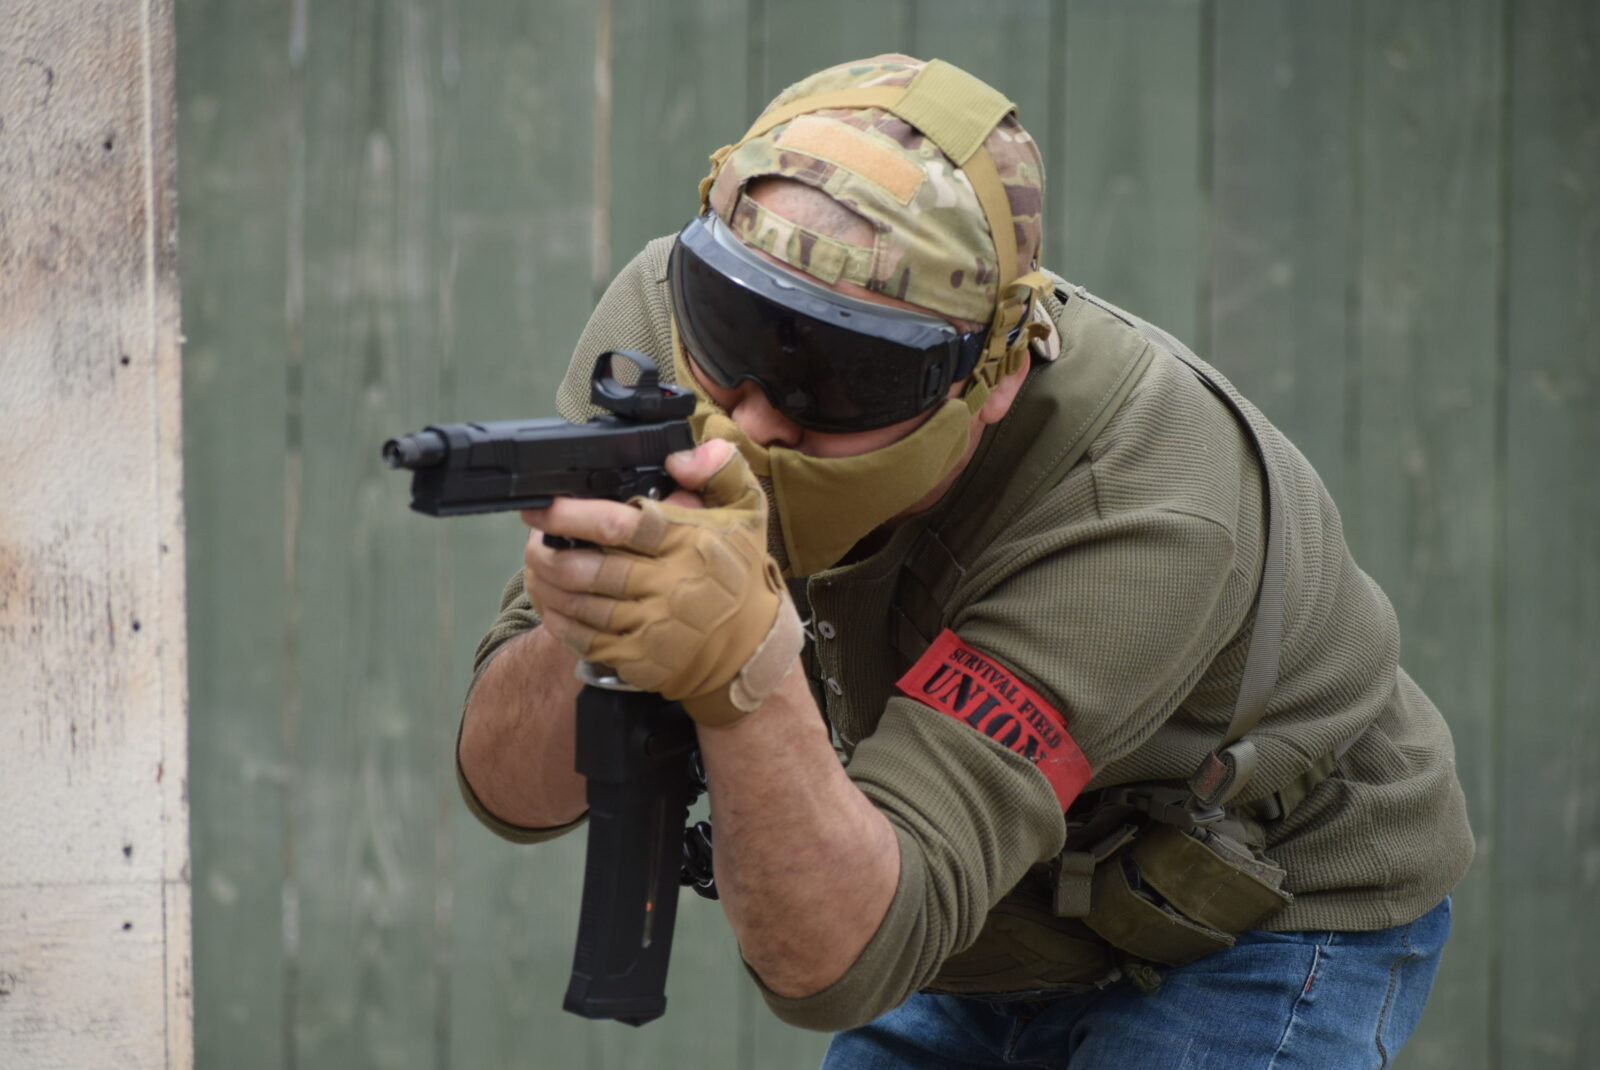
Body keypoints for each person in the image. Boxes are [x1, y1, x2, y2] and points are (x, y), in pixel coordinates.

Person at [455, 55, 1473, 1069]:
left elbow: (834, 964)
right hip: (958, 899)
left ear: (993, 376)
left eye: (844, 374)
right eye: (731, 320)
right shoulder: (663, 339)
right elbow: (513, 791)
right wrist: (588, 620)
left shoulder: (1139, 502)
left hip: (1250, 909)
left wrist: (743, 671)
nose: (752, 419)